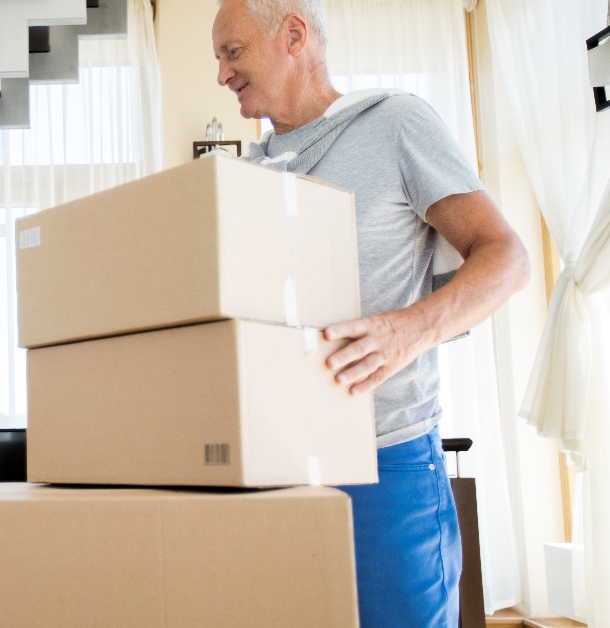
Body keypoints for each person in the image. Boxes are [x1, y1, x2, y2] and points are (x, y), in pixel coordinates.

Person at [212, 1, 529, 626]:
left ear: (294, 35)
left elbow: (507, 257)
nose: (222, 74)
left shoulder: (396, 124)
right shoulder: (247, 172)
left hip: (386, 465)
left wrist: (410, 330)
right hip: (276, 467)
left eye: (233, 52)